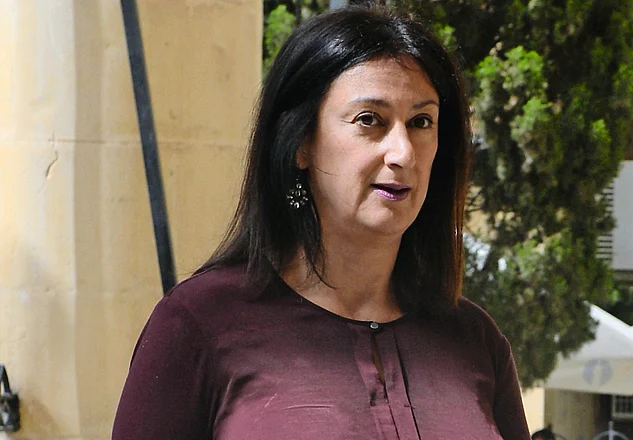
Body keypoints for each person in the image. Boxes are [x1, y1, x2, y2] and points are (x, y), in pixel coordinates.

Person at [112, 6, 531, 440]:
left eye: (421, 122)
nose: (403, 152)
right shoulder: (199, 325)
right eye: (369, 120)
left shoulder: (475, 340)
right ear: (300, 143)